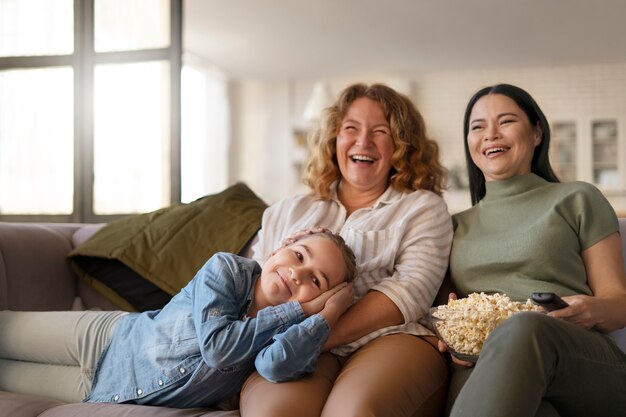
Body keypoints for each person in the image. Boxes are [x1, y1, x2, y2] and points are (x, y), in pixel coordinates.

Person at [240, 83, 454, 417]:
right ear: (334, 139)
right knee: (274, 413)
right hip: (292, 344)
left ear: (401, 145)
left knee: (353, 411)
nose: (362, 142)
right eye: (350, 129)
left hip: (391, 339)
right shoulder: (289, 210)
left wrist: (315, 337)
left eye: (380, 131)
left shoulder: (423, 209)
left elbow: (409, 293)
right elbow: (251, 283)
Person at [0, 230, 357, 408]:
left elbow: (276, 366)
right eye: (298, 255)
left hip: (101, 390)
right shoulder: (228, 269)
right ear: (282, 245)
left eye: (316, 281)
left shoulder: (293, 337)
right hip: (104, 338)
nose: (297, 274)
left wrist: (326, 316)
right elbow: (218, 348)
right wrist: (302, 307)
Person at [442, 83, 626, 417]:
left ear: (537, 133)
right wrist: (452, 334)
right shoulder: (454, 226)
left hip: (579, 358)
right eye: (477, 126)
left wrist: (591, 310)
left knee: (524, 327)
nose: (490, 134)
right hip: (483, 366)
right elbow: (444, 311)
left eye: (506, 121)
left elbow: (619, 303)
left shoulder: (577, 199)